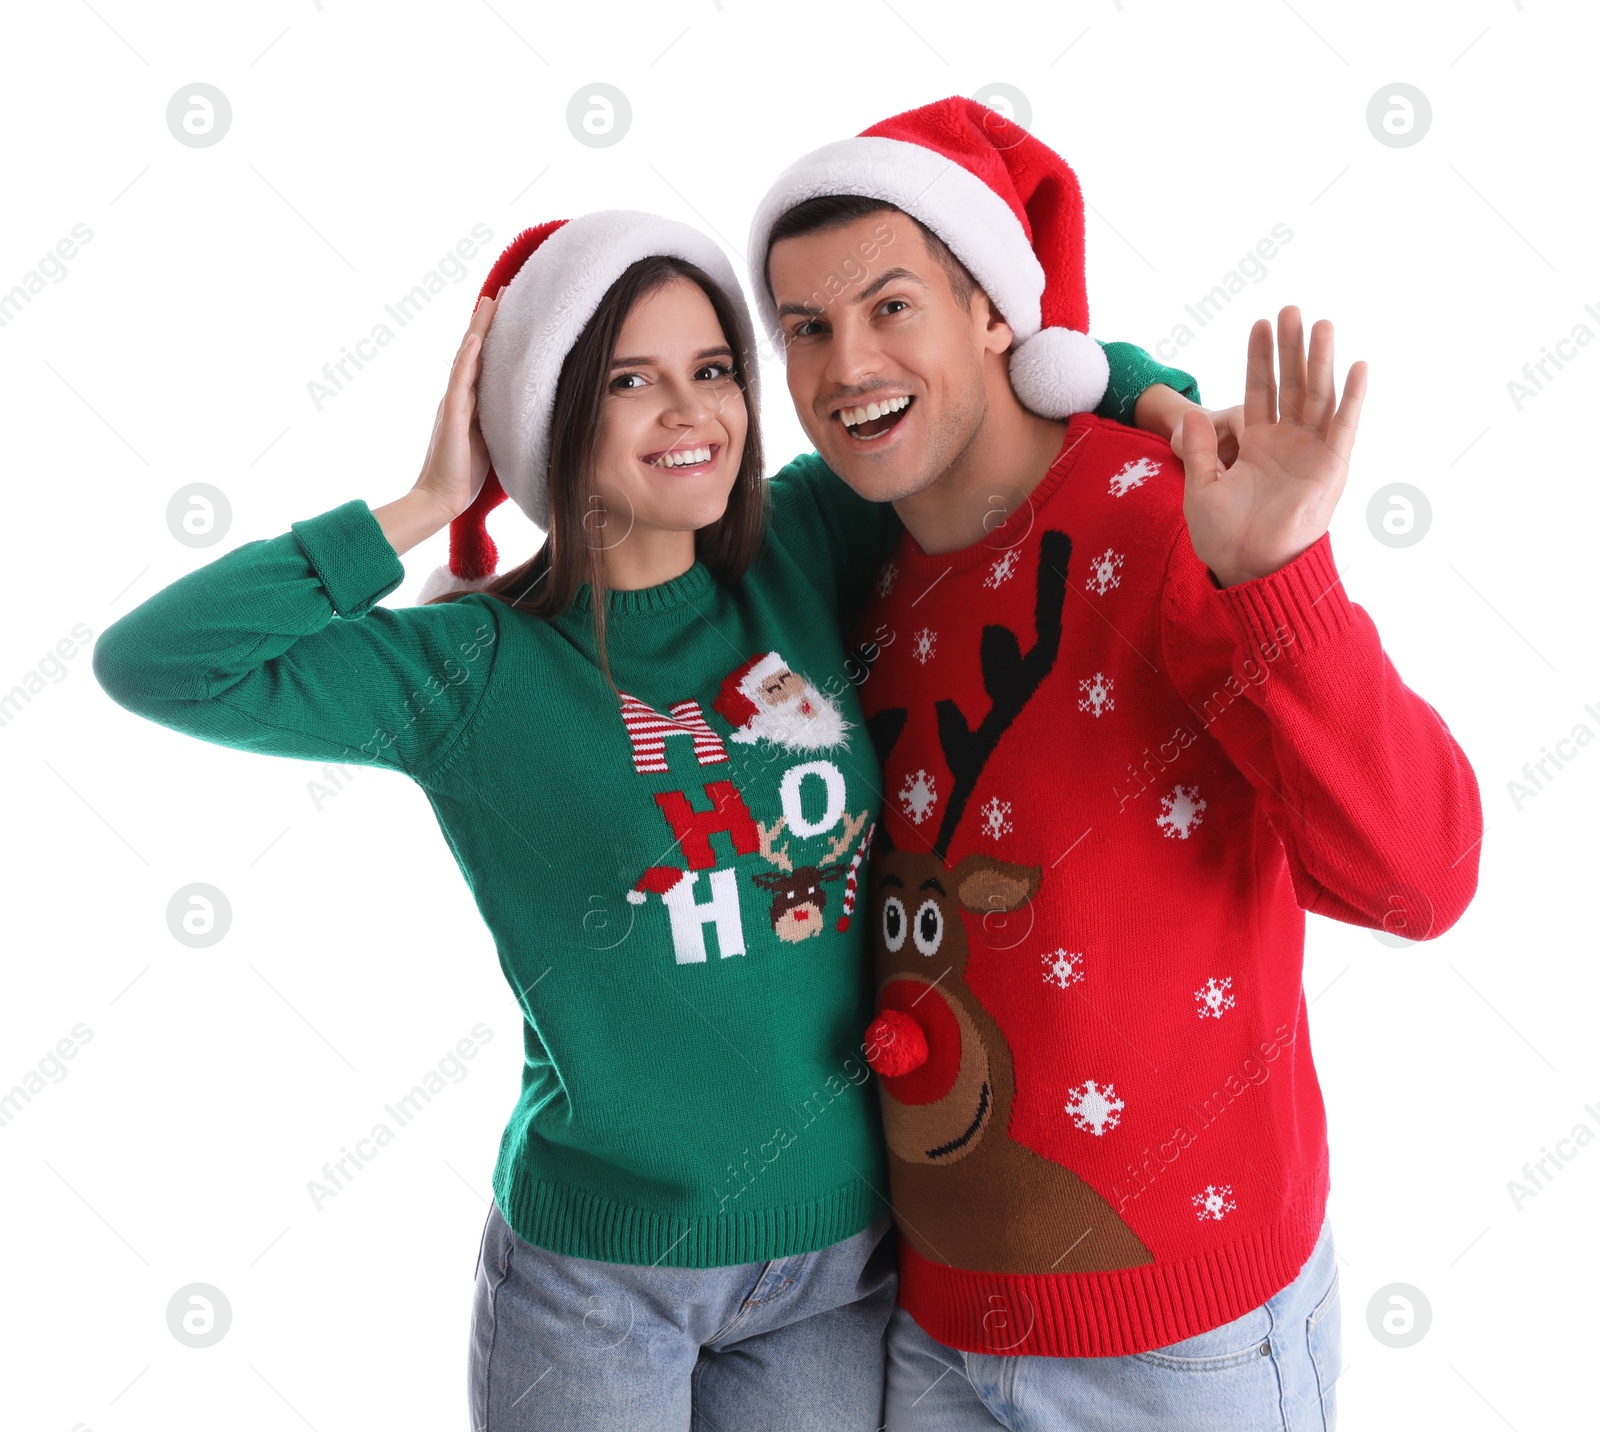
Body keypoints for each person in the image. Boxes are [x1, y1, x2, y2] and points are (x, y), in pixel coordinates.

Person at [91, 206, 1209, 1430]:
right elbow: (159, 662)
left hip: (836, 1269)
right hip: (600, 1287)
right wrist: (425, 499)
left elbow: (1024, 402)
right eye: (633, 380)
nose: (692, 412)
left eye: (715, 369)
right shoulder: (473, 667)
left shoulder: (804, 541)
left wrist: (1148, 401)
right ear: (550, 414)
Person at [751, 96, 1485, 1429]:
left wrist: (1279, 578)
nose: (845, 363)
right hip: (935, 1324)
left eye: (891, 307)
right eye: (804, 328)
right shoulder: (852, 577)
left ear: (994, 316)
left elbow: (1419, 880)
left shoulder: (1172, 518)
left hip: (1179, 1352)